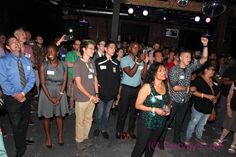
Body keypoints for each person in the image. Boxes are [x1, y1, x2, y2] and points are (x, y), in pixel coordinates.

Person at [158, 37, 209, 148]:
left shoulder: (190, 68)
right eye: (187, 57)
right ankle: (160, 141)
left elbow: (204, 59)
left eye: (190, 57)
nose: (189, 59)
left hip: (185, 101)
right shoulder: (174, 70)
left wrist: (205, 45)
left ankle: (177, 140)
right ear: (180, 57)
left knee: (179, 122)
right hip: (173, 101)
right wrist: (188, 89)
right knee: (167, 122)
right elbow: (175, 87)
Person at [0, 35, 35, 157]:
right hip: (12, 98)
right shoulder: (3, 61)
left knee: (25, 122)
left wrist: (24, 93)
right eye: (12, 42)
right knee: (16, 124)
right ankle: (20, 149)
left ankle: (22, 141)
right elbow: (3, 81)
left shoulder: (26, 60)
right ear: (8, 47)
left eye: (17, 41)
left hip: (26, 96)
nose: (16, 43)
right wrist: (16, 95)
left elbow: (32, 79)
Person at [131, 62, 170, 157]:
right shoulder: (147, 87)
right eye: (160, 71)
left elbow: (167, 102)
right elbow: (137, 105)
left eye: (164, 71)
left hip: (160, 122)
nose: (164, 73)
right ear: (154, 73)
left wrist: (168, 109)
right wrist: (154, 109)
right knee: (140, 146)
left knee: (151, 146)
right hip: (146, 121)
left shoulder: (166, 85)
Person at [37, 44, 69, 148]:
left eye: (52, 51)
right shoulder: (44, 65)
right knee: (47, 117)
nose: (50, 54)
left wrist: (60, 96)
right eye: (48, 51)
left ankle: (60, 136)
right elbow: (42, 83)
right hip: (47, 93)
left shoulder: (64, 65)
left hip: (60, 91)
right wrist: (50, 98)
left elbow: (64, 81)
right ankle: (48, 138)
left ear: (57, 53)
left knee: (59, 116)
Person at [116, 41, 149, 139]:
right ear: (129, 48)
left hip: (137, 89)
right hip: (126, 89)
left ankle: (131, 131)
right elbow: (130, 73)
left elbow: (143, 76)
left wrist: (146, 63)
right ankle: (119, 131)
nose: (136, 49)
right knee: (123, 112)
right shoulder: (124, 59)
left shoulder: (141, 60)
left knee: (134, 112)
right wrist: (138, 61)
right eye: (134, 47)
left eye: (137, 47)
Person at [185, 63, 220, 146]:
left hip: (209, 107)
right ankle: (188, 137)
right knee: (193, 122)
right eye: (211, 70)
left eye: (214, 70)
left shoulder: (214, 80)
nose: (213, 72)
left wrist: (216, 98)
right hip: (198, 105)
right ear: (206, 70)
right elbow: (193, 92)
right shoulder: (199, 79)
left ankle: (199, 137)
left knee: (202, 124)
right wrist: (206, 96)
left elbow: (218, 91)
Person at [73, 39, 99, 144]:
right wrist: (91, 96)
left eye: (94, 48)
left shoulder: (92, 62)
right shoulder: (77, 64)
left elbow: (95, 79)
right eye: (91, 48)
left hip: (92, 96)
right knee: (80, 120)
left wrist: (96, 94)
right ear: (84, 49)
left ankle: (85, 136)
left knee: (89, 119)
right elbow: (78, 84)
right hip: (82, 97)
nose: (93, 51)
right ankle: (79, 140)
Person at [94, 41, 121, 139]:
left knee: (106, 113)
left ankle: (103, 129)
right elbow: (95, 78)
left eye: (114, 48)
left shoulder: (116, 63)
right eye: (111, 47)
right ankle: (97, 127)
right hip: (101, 94)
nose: (113, 50)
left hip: (111, 95)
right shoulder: (98, 61)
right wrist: (96, 91)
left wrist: (117, 93)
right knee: (100, 113)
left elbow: (118, 79)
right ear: (106, 49)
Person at [213, 81, 236, 154]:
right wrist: (228, 107)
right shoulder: (235, 83)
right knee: (227, 125)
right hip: (233, 108)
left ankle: (233, 144)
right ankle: (220, 139)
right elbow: (229, 95)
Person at [65, 39, 81, 112]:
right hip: (72, 76)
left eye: (79, 44)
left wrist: (80, 56)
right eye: (77, 44)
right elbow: (67, 64)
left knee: (79, 92)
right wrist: (77, 64)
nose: (78, 46)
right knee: (71, 93)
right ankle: (71, 108)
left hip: (80, 76)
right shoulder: (69, 53)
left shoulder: (82, 54)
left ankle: (77, 108)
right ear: (74, 45)